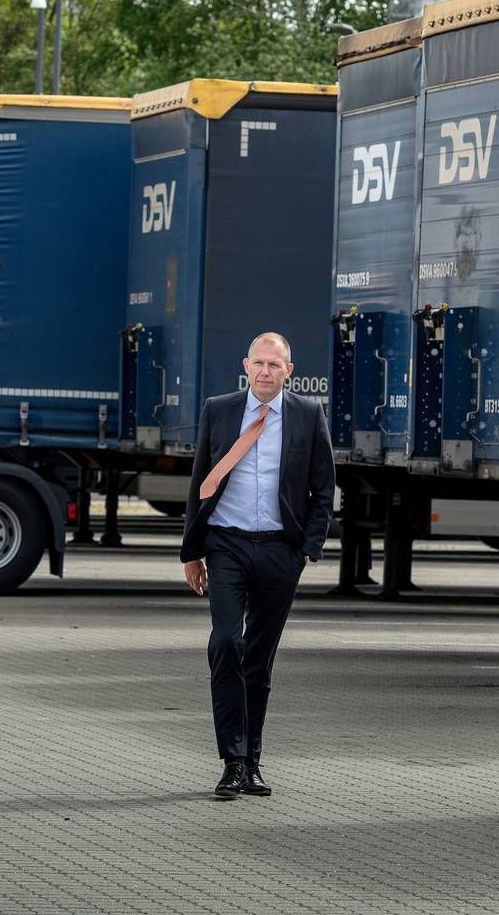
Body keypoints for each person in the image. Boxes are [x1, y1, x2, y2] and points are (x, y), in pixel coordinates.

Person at [181, 331, 334, 799]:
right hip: (226, 544)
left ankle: (251, 763)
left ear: (290, 370)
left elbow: (323, 489)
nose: (266, 372)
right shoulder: (219, 409)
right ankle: (230, 761)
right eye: (259, 363)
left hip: (278, 552)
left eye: (275, 365)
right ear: (245, 365)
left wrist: (306, 551)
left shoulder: (308, 415)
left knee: (258, 662)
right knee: (226, 642)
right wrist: (192, 550)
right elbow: (201, 481)